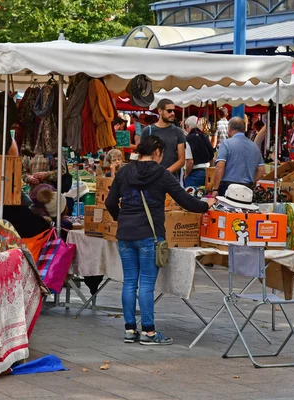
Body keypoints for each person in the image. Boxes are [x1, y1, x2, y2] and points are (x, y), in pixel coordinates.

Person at [105, 135, 215, 346]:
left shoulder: (125, 171)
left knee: (129, 282)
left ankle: (129, 329)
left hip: (126, 234)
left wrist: (122, 217)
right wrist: (206, 205)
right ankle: (148, 332)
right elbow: (185, 200)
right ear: (157, 152)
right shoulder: (162, 175)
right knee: (146, 284)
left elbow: (110, 201)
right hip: (149, 234)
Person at [211, 117, 265, 197]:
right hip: (247, 188)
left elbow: (219, 167)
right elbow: (261, 170)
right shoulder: (254, 146)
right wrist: (251, 181)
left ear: (229, 129)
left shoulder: (226, 144)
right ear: (244, 129)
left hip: (228, 188)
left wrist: (215, 189)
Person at [140, 98, 186, 178]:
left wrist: (165, 173)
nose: (172, 113)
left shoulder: (178, 132)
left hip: (171, 178)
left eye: (173, 111)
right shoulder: (147, 130)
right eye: (169, 111)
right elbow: (141, 156)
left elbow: (182, 160)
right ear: (160, 111)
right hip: (151, 178)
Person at [184, 116, 214, 188]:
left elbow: (190, 161)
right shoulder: (205, 136)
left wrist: (186, 175)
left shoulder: (188, 139)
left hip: (194, 173)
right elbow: (211, 157)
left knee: (190, 197)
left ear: (187, 126)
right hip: (206, 172)